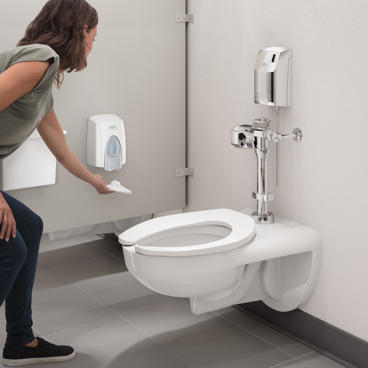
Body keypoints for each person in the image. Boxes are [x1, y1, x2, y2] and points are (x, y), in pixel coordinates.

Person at [0, 0, 112, 365]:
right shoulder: (40, 58)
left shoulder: (43, 80)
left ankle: (21, 341)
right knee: (10, 249)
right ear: (80, 33)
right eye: (94, 37)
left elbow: (61, 152)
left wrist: (94, 181)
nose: (94, 45)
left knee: (29, 227)